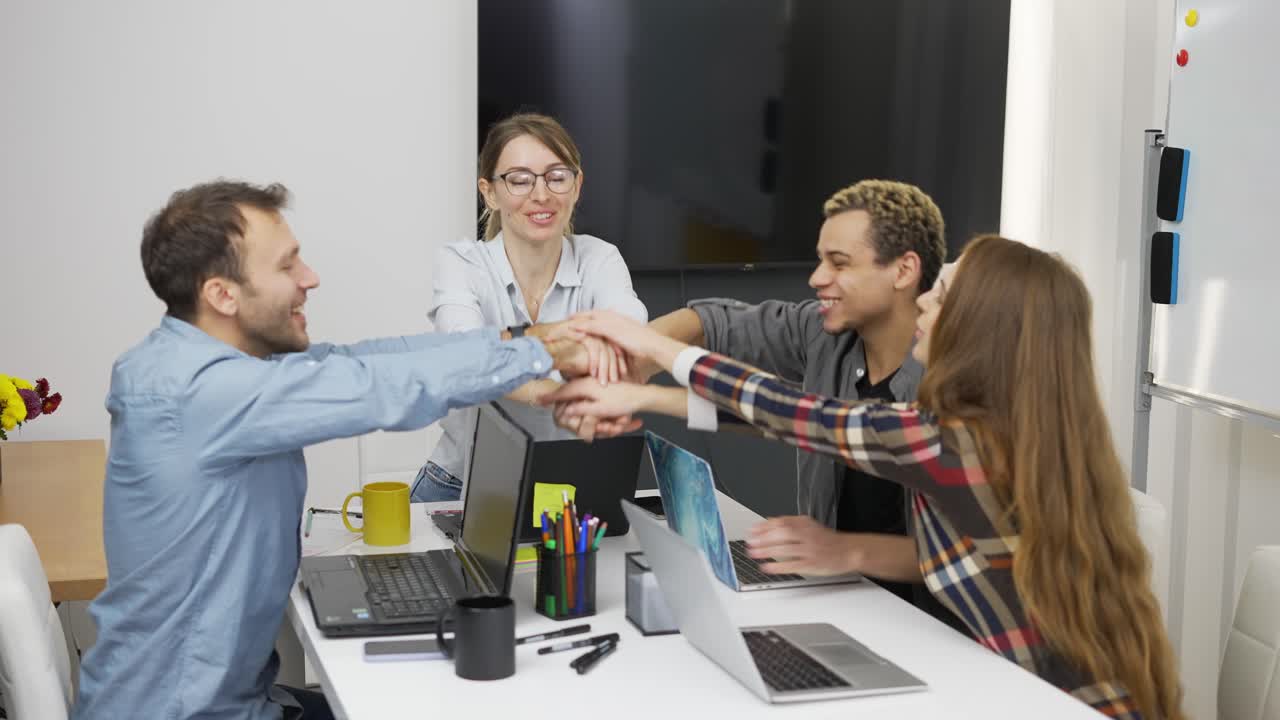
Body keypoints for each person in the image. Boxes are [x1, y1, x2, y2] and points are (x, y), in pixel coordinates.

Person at [546, 235, 1185, 720]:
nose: (925, 301)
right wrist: (644, 398)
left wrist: (654, 348)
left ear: (982, 329)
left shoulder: (962, 444)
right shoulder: (1009, 428)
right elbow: (808, 425)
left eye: (943, 295)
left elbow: (803, 416)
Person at [72, 180, 590, 720]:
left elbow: (366, 360)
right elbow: (376, 386)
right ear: (222, 295)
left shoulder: (217, 367)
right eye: (287, 266)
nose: (310, 278)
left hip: (233, 700)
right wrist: (545, 353)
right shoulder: (200, 392)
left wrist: (527, 338)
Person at [556, 179, 956, 621]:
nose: (817, 278)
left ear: (903, 270)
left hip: (935, 625)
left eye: (839, 263)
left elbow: (965, 556)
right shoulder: (824, 334)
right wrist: (639, 376)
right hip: (841, 595)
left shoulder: (961, 391)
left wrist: (846, 549)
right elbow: (751, 373)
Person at [412, 112, 647, 503]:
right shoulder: (460, 262)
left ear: (576, 186)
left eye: (557, 176)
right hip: (459, 485)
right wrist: (566, 382)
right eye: (520, 180)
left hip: (565, 484)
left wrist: (508, 357)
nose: (541, 194)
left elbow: (630, 335)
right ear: (490, 192)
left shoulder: (600, 259)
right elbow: (468, 356)